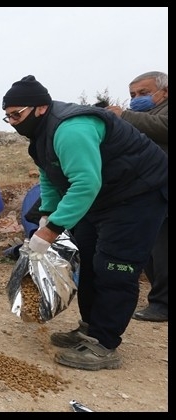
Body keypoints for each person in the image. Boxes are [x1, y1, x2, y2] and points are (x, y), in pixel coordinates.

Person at [1, 75, 167, 370]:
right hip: (104, 197)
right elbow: (50, 176)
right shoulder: (40, 135)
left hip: (138, 193)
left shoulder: (71, 128)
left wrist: (52, 230)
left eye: (17, 114)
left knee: (115, 266)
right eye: (8, 116)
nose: (13, 122)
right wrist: (47, 214)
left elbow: (86, 183)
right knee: (87, 258)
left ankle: (104, 345)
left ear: (40, 108)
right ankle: (89, 327)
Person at [105, 71, 168, 322]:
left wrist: (124, 116)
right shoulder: (144, 116)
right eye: (133, 95)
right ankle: (159, 298)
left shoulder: (156, 116)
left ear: (164, 92)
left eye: (144, 92)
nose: (137, 98)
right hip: (149, 193)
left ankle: (162, 304)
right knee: (151, 250)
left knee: (163, 250)